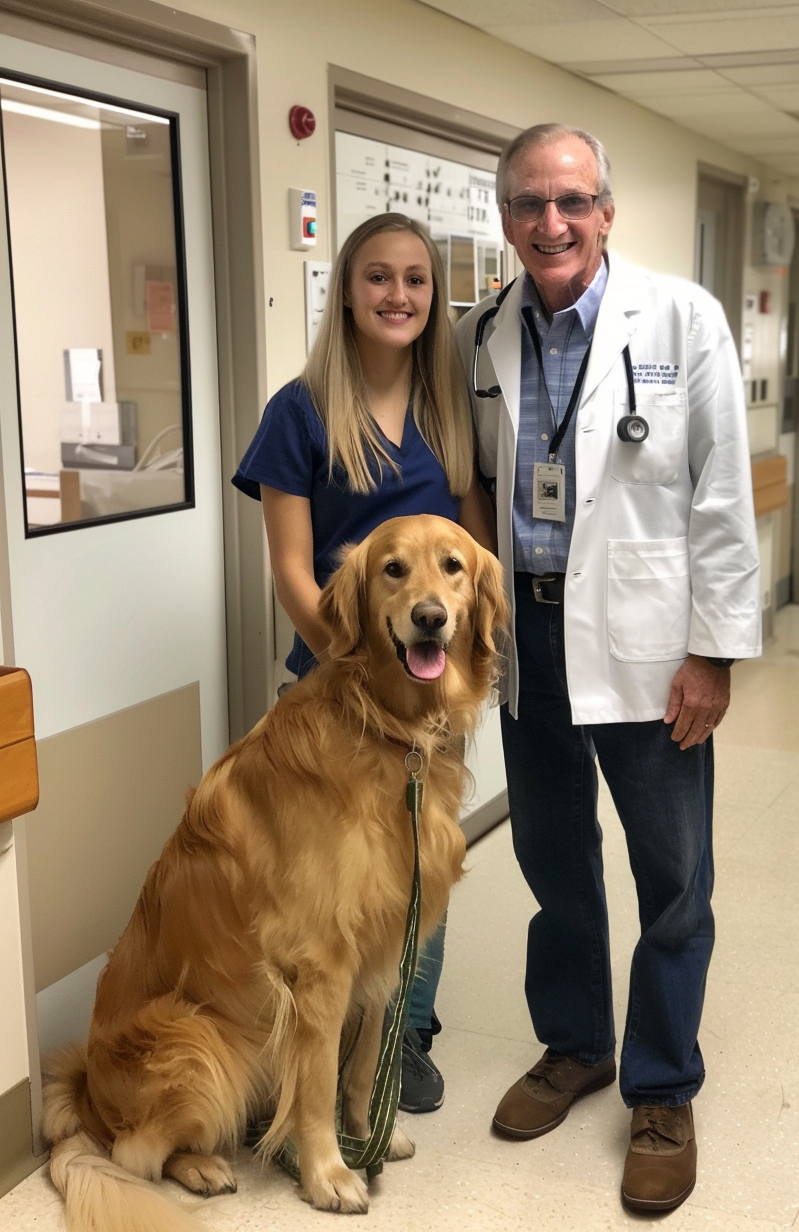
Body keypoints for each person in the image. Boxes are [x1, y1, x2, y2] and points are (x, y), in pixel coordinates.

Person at [456, 124, 761, 1212]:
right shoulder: (482, 331)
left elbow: (723, 495)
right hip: (528, 636)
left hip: (649, 642)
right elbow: (478, 486)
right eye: (531, 204)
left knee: (672, 874)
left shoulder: (681, 318)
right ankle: (576, 1041)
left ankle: (664, 1084)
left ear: (606, 212)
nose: (552, 223)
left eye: (572, 201)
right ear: (505, 220)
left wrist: (712, 653)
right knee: (551, 857)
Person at [233, 212, 494, 1114]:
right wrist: (353, 670)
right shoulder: (298, 412)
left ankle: (401, 1042)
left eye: (416, 279)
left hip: (432, 705)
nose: (398, 295)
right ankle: (306, 1056)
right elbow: (293, 575)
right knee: (326, 899)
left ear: (433, 295)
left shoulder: (452, 412)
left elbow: (474, 558)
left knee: (423, 873)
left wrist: (449, 664)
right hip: (333, 695)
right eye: (378, 277)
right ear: (346, 291)